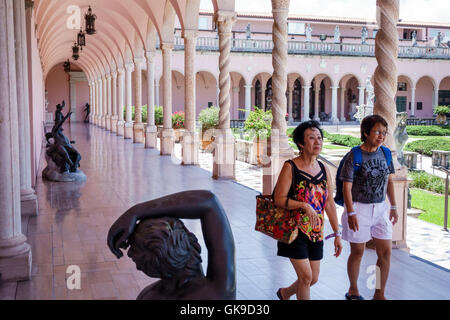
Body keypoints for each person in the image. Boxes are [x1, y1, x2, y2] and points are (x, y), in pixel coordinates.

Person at [107, 190, 236, 300]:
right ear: (192, 241)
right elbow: (209, 202)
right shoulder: (217, 292)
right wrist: (136, 212)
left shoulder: (148, 296)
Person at [273, 120, 343, 300]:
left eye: (319, 137)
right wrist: (304, 205)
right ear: (301, 144)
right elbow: (278, 199)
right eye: (311, 138)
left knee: (313, 278)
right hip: (294, 230)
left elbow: (328, 203)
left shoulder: (323, 168)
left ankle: (285, 293)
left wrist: (337, 233)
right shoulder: (291, 167)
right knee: (306, 277)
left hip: (316, 231)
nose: (317, 141)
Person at [339, 114, 398, 300]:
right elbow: (346, 187)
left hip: (380, 208)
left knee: (386, 253)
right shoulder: (354, 155)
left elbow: (389, 181)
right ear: (366, 132)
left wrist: (394, 206)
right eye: (377, 132)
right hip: (359, 208)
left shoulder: (385, 153)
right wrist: (351, 212)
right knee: (358, 252)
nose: (381, 136)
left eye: (384, 132)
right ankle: (353, 289)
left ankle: (379, 294)